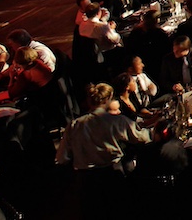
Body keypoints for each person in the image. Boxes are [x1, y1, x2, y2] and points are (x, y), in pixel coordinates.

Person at [56, 83, 152, 219]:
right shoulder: (116, 121)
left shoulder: (74, 125)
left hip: (85, 183)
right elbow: (143, 137)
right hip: (111, 177)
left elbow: (61, 158)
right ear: (108, 100)